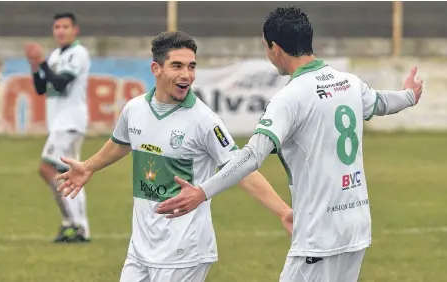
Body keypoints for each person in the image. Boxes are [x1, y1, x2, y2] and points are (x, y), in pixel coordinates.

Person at [155, 6, 424, 282]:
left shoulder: (289, 98)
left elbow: (252, 156)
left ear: (276, 48)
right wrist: (409, 96)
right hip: (356, 228)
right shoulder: (349, 83)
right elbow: (381, 102)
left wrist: (203, 191)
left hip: (320, 236)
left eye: (266, 47)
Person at [56, 31, 292, 282]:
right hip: (141, 248)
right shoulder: (134, 109)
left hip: (184, 251)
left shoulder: (204, 120)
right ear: (156, 68)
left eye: (191, 67)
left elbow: (241, 168)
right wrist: (89, 166)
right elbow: (121, 143)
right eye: (177, 66)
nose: (186, 75)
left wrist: (283, 211)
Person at [24, 12, 91, 243]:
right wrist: (35, 67)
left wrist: (42, 61)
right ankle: (76, 227)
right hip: (59, 123)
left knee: (46, 167)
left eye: (65, 26)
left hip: (70, 122)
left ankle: (74, 224)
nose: (60, 31)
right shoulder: (54, 55)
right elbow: (42, 88)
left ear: (75, 30)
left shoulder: (78, 53)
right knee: (70, 176)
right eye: (57, 27)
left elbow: (62, 82)